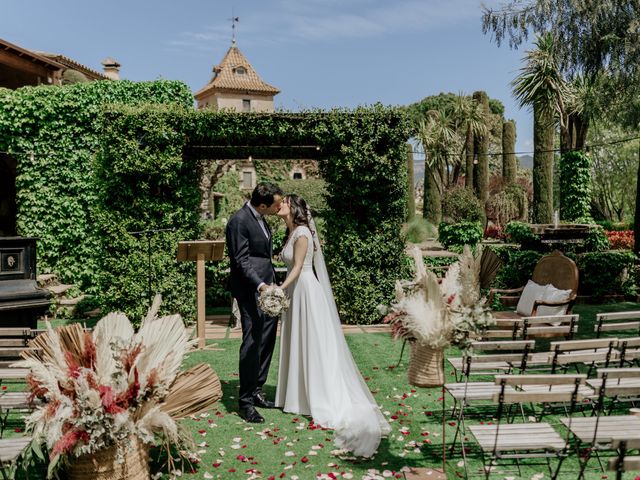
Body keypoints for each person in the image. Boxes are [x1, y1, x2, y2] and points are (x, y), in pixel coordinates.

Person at [275, 194, 391, 457]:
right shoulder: (289, 232)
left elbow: (297, 268)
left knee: (311, 344)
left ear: (293, 208)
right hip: (295, 292)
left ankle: (318, 396)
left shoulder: (303, 232)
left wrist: (279, 288)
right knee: (297, 342)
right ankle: (296, 395)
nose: (279, 205)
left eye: (284, 202)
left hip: (304, 290)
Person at [226, 182, 284, 424]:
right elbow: (241, 260)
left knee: (267, 338)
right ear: (263, 204)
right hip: (252, 290)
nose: (280, 207)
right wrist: (260, 286)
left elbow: (261, 254)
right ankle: (246, 402)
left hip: (268, 289)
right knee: (252, 342)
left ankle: (258, 389)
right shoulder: (238, 221)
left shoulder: (261, 217)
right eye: (277, 204)